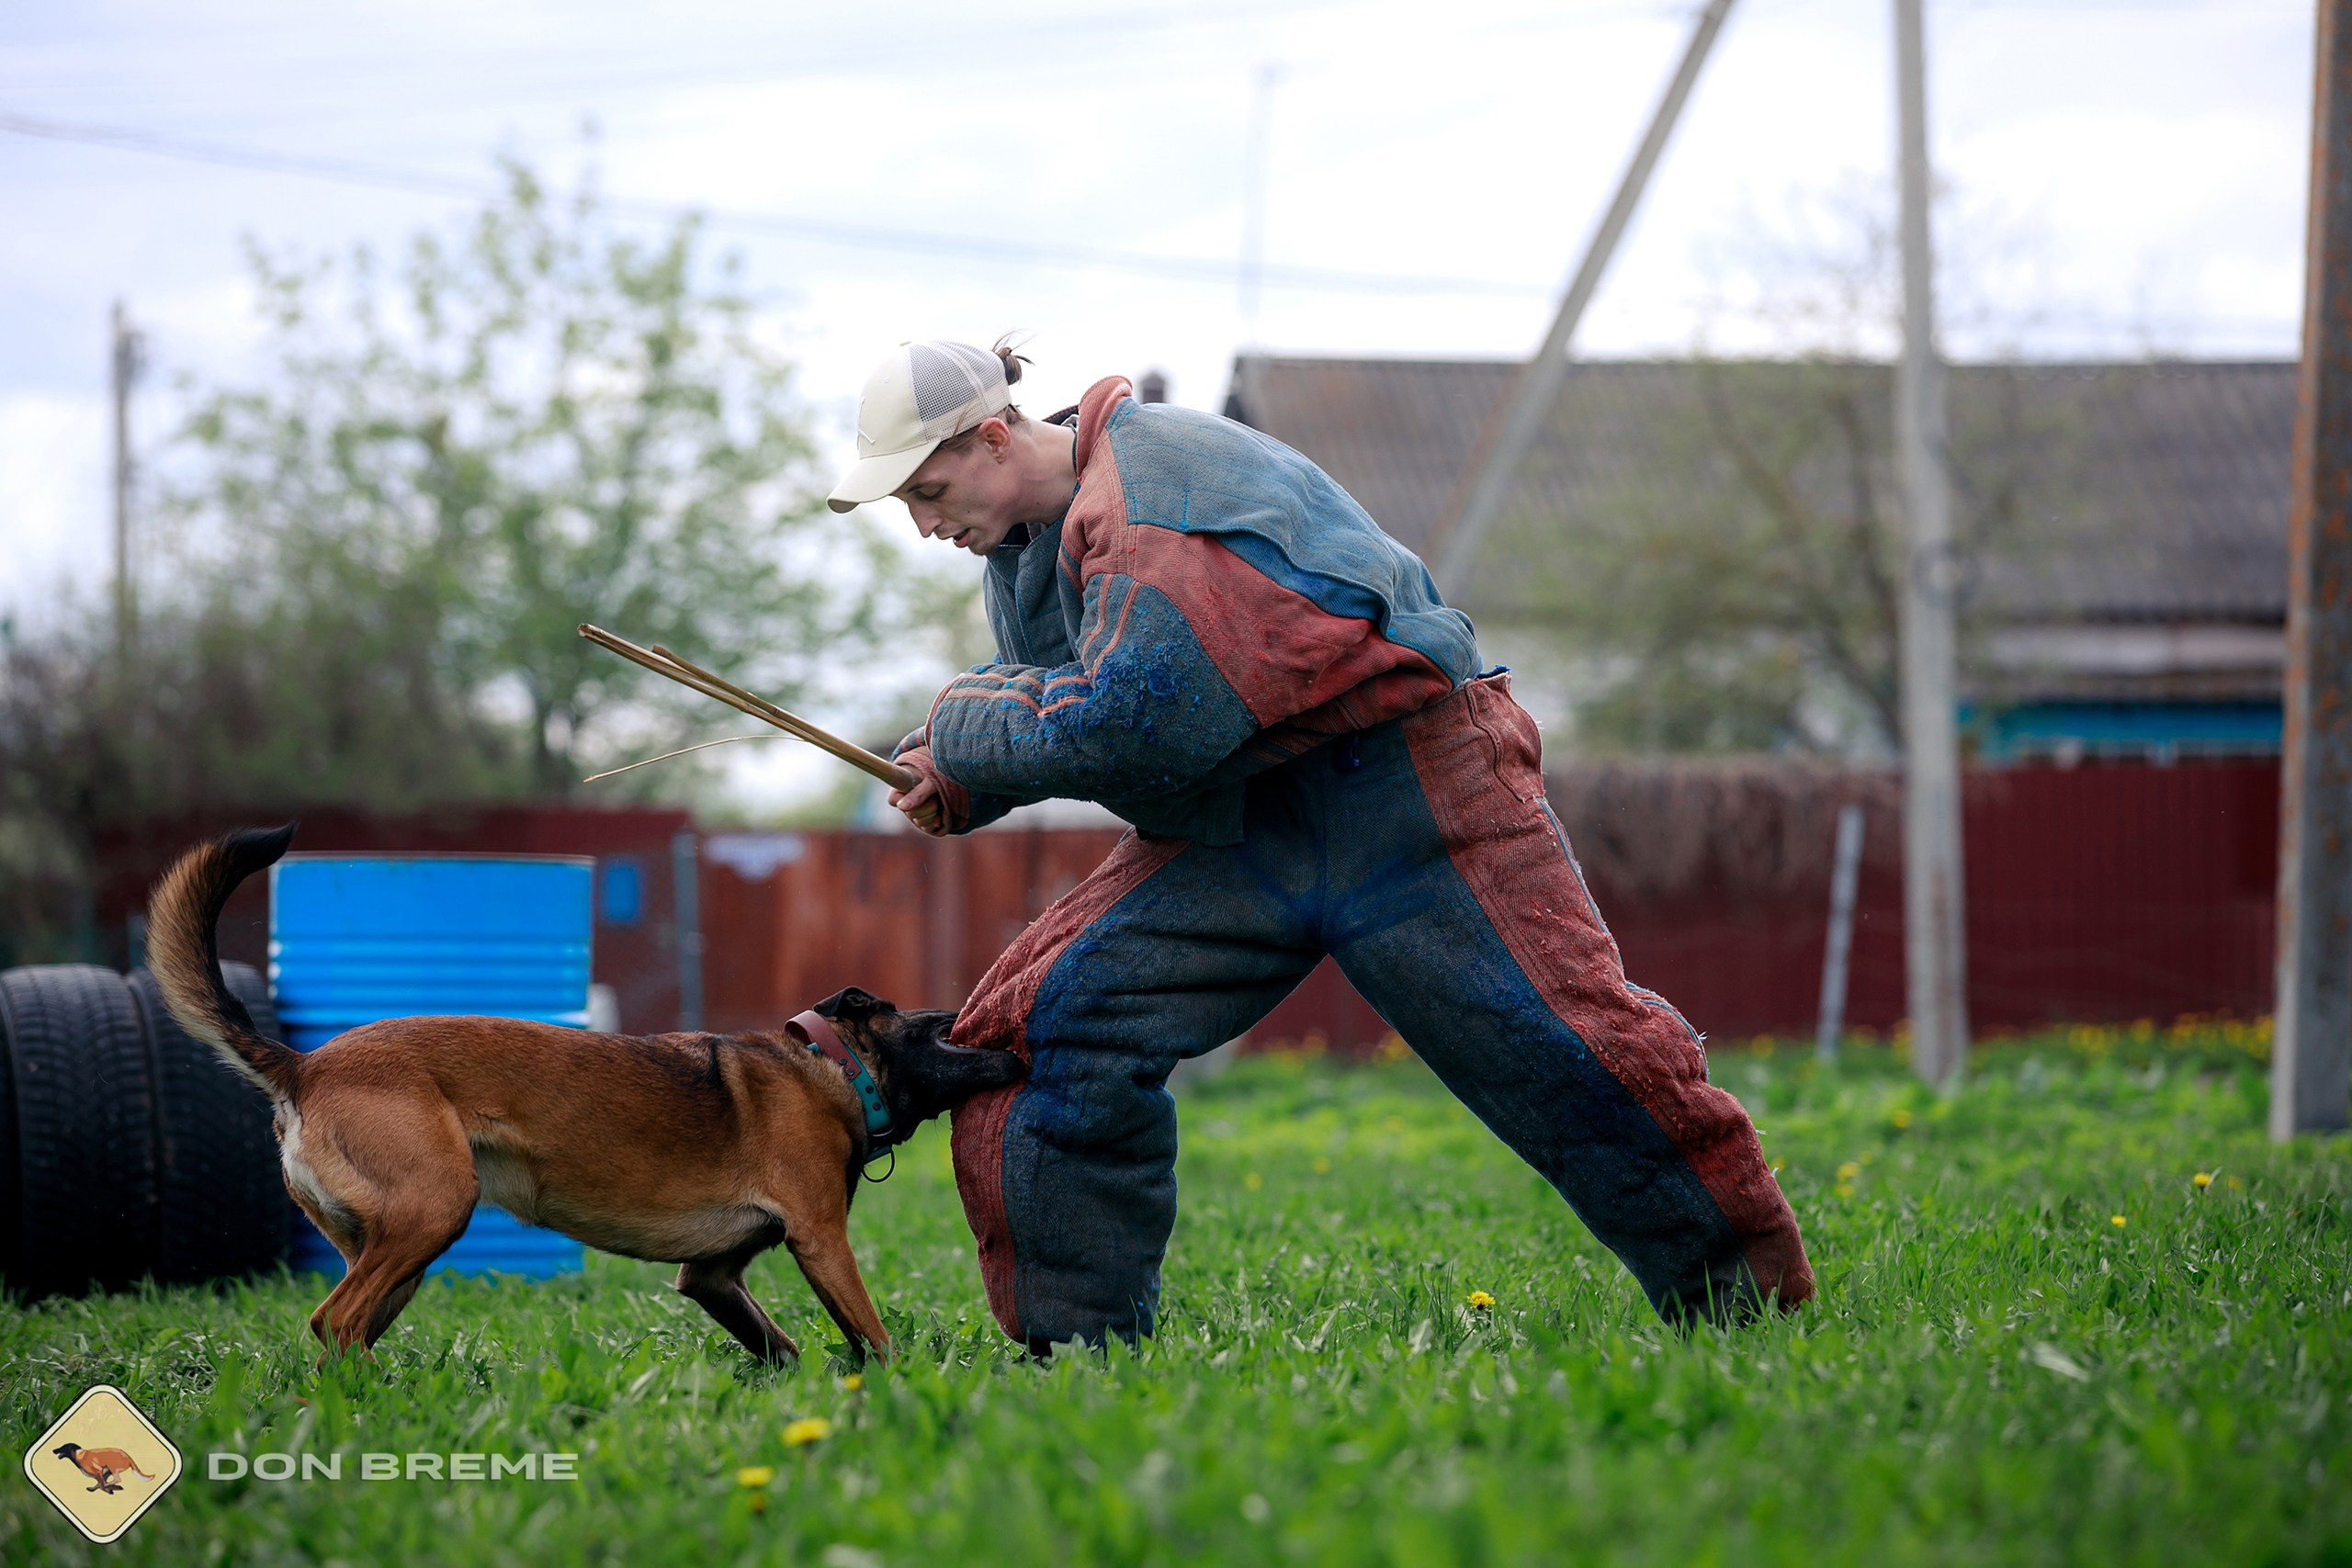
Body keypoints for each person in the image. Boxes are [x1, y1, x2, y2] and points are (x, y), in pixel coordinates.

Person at [825, 337, 1813, 1351]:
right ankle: (1075, 1355)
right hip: (1241, 821)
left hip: (1411, 792)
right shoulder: (1027, 544)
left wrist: (960, 729)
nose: (923, 523)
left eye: (929, 489)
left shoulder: (1156, 493)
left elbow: (1144, 720)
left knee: (1564, 1046)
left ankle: (1751, 1311)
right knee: (1039, 1033)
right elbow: (1070, 699)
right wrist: (963, 775)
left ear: (993, 437)